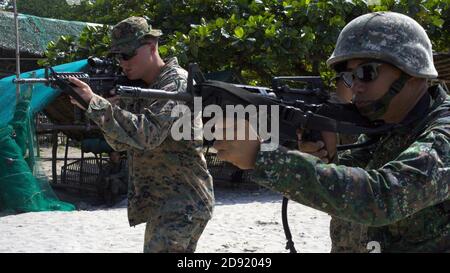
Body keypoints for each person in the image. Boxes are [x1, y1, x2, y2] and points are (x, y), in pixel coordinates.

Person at [214, 12, 449, 252]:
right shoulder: (388, 125)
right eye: (348, 76)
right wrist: (326, 160)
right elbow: (349, 186)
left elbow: (383, 197)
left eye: (367, 73)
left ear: (411, 72)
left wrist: (261, 157)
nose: (355, 85)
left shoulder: (443, 132)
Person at [68, 17, 214, 252]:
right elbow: (121, 144)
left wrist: (96, 104)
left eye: (127, 54)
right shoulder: (143, 88)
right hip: (165, 203)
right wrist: (104, 109)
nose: (122, 62)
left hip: (182, 202)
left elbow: (148, 135)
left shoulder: (175, 83)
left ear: (152, 45)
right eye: (118, 56)